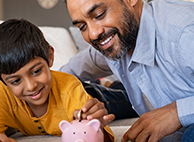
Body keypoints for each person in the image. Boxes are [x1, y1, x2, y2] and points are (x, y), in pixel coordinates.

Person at [61, 0, 194, 141]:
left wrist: (177, 112)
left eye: (99, 15)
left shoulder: (185, 32)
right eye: (82, 27)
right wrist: (84, 112)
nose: (93, 34)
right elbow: (61, 77)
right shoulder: (110, 43)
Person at [0, 18, 115, 142]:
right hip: (76, 88)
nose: (31, 86)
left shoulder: (69, 88)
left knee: (123, 98)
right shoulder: (4, 95)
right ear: (2, 80)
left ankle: (108, 84)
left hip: (94, 96)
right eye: (15, 81)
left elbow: (98, 131)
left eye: (36, 71)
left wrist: (96, 126)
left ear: (49, 56)